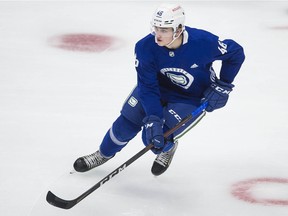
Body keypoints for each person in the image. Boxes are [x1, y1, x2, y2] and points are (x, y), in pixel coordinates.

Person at [73, 3, 245, 176]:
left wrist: (224, 85)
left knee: (157, 140)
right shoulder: (145, 47)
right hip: (157, 89)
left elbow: (236, 53)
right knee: (126, 125)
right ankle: (102, 154)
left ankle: (168, 148)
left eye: (164, 30)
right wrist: (153, 118)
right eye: (156, 28)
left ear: (178, 29)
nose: (158, 35)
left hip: (191, 97)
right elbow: (147, 86)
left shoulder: (203, 42)